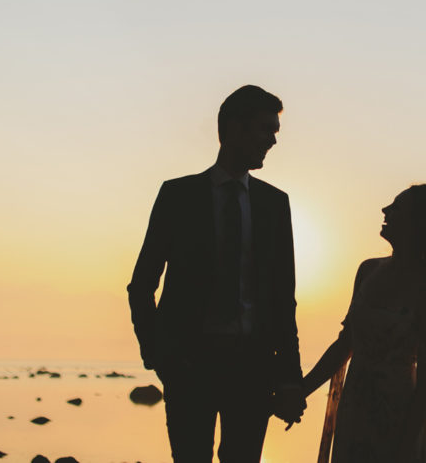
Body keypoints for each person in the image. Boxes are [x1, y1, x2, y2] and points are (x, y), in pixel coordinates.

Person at [128, 85, 306, 463]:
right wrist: (157, 354)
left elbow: (281, 299)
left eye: (275, 131)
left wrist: (291, 377)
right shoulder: (178, 195)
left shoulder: (275, 204)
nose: (273, 141)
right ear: (232, 129)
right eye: (265, 130)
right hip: (189, 364)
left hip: (253, 367)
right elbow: (142, 284)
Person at [301, 184, 426, 463]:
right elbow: (345, 344)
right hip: (353, 410)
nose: (385, 210)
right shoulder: (368, 270)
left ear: (418, 224)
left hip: (396, 416)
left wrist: (408, 446)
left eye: (397, 207)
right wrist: (300, 391)